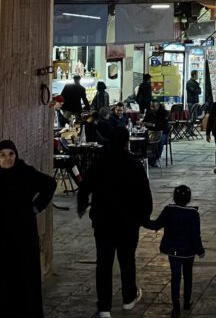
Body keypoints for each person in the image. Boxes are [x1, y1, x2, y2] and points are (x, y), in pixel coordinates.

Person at [77, 126, 152, 317]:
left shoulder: (99, 162)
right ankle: (128, 298)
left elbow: (85, 186)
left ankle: (104, 308)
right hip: (128, 222)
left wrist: (83, 204)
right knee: (127, 260)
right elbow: (145, 195)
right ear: (127, 141)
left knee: (104, 263)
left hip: (103, 221)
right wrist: (144, 217)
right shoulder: (134, 164)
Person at [0, 139, 56, 318]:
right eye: (3, 155)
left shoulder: (25, 173)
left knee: (26, 281)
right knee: (3, 283)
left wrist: (36, 207)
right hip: (1, 242)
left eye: (11, 154)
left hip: (24, 239)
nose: (8, 159)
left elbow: (49, 184)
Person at [146, 184, 205, 317]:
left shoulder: (169, 210)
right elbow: (196, 234)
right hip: (189, 252)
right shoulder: (193, 214)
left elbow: (156, 224)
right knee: (188, 276)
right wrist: (200, 250)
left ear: (174, 197)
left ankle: (176, 306)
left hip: (173, 251)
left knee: (175, 277)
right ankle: (187, 302)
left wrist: (141, 220)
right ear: (189, 199)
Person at [143, 99, 170, 166]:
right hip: (151, 132)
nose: (151, 108)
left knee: (159, 141)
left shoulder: (164, 113)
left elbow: (163, 126)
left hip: (162, 132)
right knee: (143, 139)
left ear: (158, 106)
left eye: (153, 106)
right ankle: (147, 158)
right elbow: (145, 121)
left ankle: (157, 158)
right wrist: (142, 123)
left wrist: (152, 125)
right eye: (151, 106)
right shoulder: (149, 111)